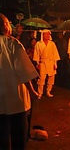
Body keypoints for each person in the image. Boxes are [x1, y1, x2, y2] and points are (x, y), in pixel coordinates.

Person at [0, 13, 39, 150]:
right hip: (16, 100)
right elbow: (24, 71)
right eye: (7, 23)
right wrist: (32, 91)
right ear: (5, 26)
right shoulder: (13, 43)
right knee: (19, 136)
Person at [33, 30, 60, 98]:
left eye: (48, 34)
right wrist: (37, 63)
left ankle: (48, 91)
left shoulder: (52, 44)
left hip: (51, 62)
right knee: (42, 78)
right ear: (42, 35)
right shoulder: (38, 44)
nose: (47, 36)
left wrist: (55, 63)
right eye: (46, 34)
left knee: (51, 77)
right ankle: (40, 93)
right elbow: (36, 54)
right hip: (43, 62)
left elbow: (55, 54)